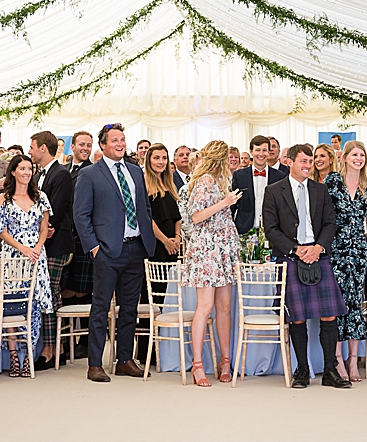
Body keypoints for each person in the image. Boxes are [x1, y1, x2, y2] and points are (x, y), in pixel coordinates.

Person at [262, 144, 350, 389]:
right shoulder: (274, 191)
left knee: (329, 314)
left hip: (317, 254)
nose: (307, 166)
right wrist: (295, 250)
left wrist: (318, 247)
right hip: (291, 257)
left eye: (310, 162)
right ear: (290, 162)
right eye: (303, 161)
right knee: (297, 318)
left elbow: (330, 224)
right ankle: (302, 370)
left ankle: (330, 370)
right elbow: (270, 229)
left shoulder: (320, 190)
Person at [73, 123, 156, 383]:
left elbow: (143, 207)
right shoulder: (90, 174)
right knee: (100, 308)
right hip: (107, 251)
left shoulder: (135, 171)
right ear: (103, 145)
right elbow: (81, 215)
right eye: (115, 140)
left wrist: (146, 239)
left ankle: (124, 360)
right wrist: (95, 248)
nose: (120, 144)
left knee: (129, 308)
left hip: (136, 247)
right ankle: (95, 364)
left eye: (123, 139)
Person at [182, 141, 241, 386]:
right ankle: (197, 364)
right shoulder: (205, 180)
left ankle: (225, 360)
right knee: (205, 307)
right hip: (207, 251)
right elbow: (196, 216)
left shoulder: (220, 181)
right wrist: (224, 202)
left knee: (224, 307)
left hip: (223, 250)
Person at [0, 155, 54, 377]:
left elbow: (44, 228)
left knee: (33, 306)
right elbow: (0, 230)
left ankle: (29, 357)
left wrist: (36, 248)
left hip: (36, 256)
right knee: (11, 305)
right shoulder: (2, 199)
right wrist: (22, 248)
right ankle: (14, 355)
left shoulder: (41, 197)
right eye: (22, 168)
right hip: (12, 256)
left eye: (30, 168)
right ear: (13, 172)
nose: (27, 172)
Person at [324, 141, 367, 382]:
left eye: (362, 155)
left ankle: (353, 359)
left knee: (356, 304)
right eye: (354, 155)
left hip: (358, 250)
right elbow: (324, 217)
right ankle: (337, 359)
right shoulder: (331, 182)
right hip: (335, 249)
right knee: (338, 304)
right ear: (344, 157)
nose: (359, 158)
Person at [26, 131, 75, 370]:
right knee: (45, 293)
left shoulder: (62, 174)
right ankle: (55, 347)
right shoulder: (37, 174)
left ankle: (51, 349)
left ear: (43, 148)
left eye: (32, 147)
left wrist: (46, 227)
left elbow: (55, 207)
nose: (30, 151)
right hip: (41, 240)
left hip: (56, 242)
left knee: (50, 293)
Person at [60, 131, 94, 320]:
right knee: (65, 290)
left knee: (83, 290)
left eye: (88, 145)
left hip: (83, 238)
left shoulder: (94, 171)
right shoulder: (63, 170)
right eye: (81, 144)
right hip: (65, 236)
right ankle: (67, 343)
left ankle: (84, 343)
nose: (85, 148)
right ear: (72, 147)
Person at [143, 143, 181, 306]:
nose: (161, 162)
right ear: (148, 160)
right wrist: (165, 240)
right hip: (155, 245)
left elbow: (177, 217)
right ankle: (150, 328)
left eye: (164, 158)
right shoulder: (144, 182)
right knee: (156, 290)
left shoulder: (170, 183)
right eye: (156, 158)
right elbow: (146, 218)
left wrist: (177, 237)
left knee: (170, 290)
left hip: (173, 245)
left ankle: (167, 330)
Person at [231, 135, 286, 235]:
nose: (261, 154)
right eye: (257, 150)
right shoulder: (239, 175)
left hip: (272, 232)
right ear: (251, 151)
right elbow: (232, 206)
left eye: (264, 150)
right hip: (244, 230)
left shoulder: (280, 177)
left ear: (269, 152)